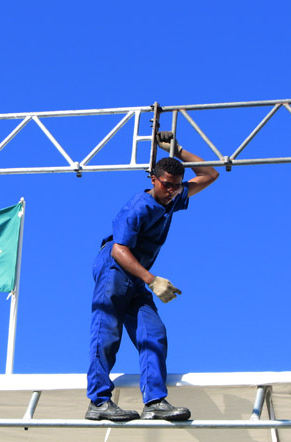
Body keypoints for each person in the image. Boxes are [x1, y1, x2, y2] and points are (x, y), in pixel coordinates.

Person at [85, 131, 219, 422]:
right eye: (167, 185)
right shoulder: (137, 208)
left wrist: (177, 149)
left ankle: (155, 401)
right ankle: (98, 401)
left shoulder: (173, 198)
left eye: (176, 186)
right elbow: (119, 251)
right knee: (107, 332)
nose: (172, 191)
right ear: (153, 180)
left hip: (137, 277)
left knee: (153, 333)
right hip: (116, 270)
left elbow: (209, 173)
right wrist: (152, 280)